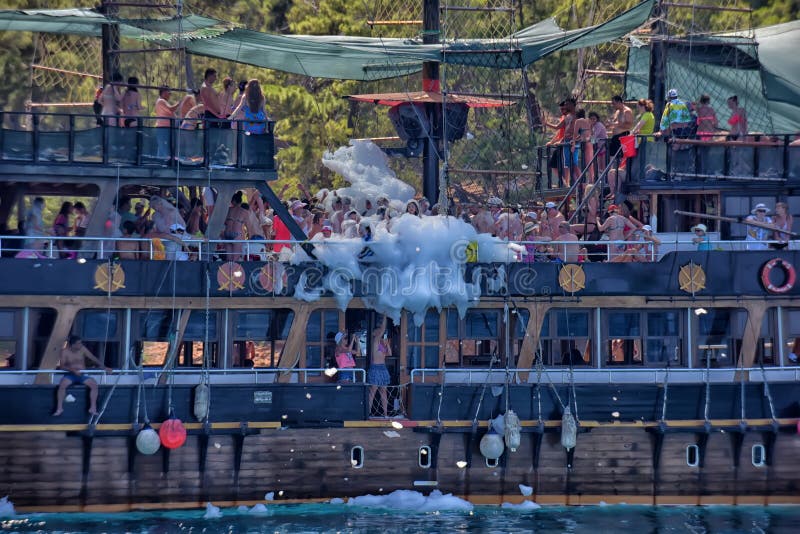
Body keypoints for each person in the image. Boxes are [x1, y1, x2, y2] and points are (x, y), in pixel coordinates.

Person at [52, 335, 112, 416]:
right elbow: (62, 366)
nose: (80, 345)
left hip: (82, 375)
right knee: (62, 385)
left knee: (94, 384)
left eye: (81, 343)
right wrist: (73, 370)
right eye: (78, 343)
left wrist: (104, 367)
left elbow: (93, 358)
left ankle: (92, 408)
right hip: (70, 375)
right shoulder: (64, 351)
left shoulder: (82, 349)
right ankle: (59, 408)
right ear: (72, 345)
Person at [368, 316, 392, 417]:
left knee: (384, 392)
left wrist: (387, 345)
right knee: (372, 392)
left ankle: (385, 414)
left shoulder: (381, 343)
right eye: (377, 331)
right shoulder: (375, 340)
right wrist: (385, 316)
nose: (379, 332)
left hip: (383, 368)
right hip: (375, 368)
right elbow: (383, 328)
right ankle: (368, 413)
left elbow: (389, 354)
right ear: (375, 333)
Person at [154, 86, 180, 159]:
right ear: (164, 93)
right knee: (164, 147)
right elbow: (171, 109)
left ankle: (160, 162)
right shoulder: (161, 101)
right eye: (169, 93)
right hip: (163, 128)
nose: (170, 95)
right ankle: (166, 162)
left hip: (166, 128)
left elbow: (170, 112)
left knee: (162, 147)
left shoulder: (163, 101)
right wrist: (179, 103)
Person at [608, 95, 633, 161]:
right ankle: (611, 170)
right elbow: (615, 124)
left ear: (619, 102)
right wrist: (609, 125)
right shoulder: (617, 112)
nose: (613, 105)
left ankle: (621, 170)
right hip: (615, 138)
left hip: (623, 136)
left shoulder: (627, 111)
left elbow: (629, 125)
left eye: (614, 103)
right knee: (612, 156)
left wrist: (616, 125)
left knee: (622, 157)